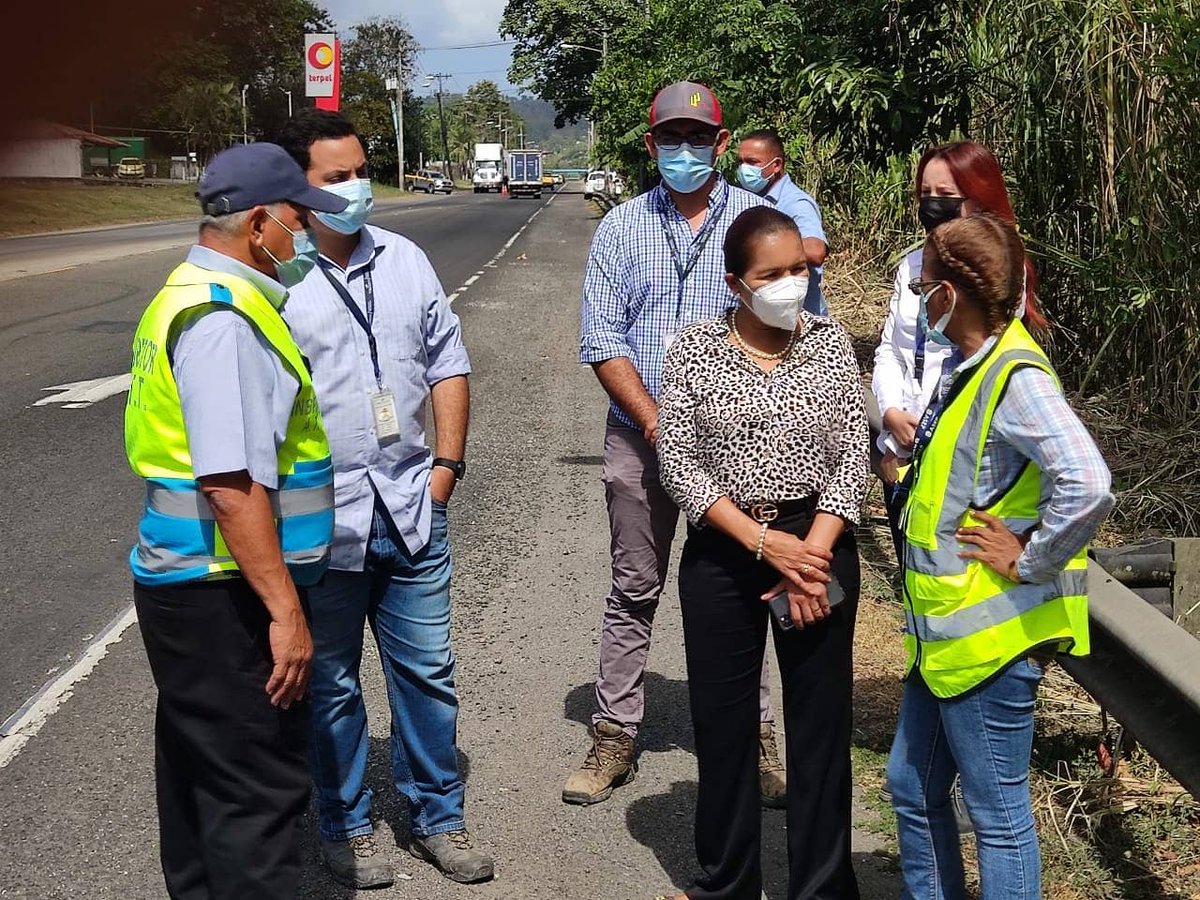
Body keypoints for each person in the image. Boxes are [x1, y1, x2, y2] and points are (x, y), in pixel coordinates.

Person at [124, 142, 347, 899]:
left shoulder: (187, 293)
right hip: (226, 595)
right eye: (297, 219)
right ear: (257, 225)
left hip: (188, 583)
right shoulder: (224, 319)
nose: (305, 234)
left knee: (200, 782)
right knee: (256, 794)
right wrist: (285, 611)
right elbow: (229, 483)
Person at [276, 109, 490, 888]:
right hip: (321, 520)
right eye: (336, 178)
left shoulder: (406, 259)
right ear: (298, 189)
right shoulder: (277, 280)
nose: (355, 188)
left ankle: (438, 817)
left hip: (410, 506)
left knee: (428, 673)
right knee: (332, 686)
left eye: (361, 172)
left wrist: (447, 468)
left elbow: (447, 364)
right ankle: (349, 827)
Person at [570, 81, 789, 808]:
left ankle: (755, 734)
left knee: (745, 584)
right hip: (641, 437)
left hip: (740, 445)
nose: (685, 150)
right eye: (672, 138)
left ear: (721, 144)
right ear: (651, 144)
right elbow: (602, 339)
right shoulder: (622, 228)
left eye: (699, 138)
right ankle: (614, 734)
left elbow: (786, 330)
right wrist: (660, 423)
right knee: (635, 586)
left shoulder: (757, 226)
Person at [887, 213, 1113, 900]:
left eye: (923, 287)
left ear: (949, 293)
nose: (918, 300)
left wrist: (1030, 559)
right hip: (949, 640)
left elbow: (1089, 482)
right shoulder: (974, 366)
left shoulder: (1016, 377)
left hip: (992, 638)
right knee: (911, 785)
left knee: (998, 815)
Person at [655, 205, 868, 900]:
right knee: (724, 726)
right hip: (725, 548)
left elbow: (851, 457)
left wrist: (810, 558)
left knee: (819, 729)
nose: (790, 285)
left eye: (799, 269)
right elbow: (678, 462)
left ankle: (822, 888)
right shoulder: (693, 348)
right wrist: (762, 543)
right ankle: (728, 882)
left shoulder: (829, 343)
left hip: (816, 543)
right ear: (735, 284)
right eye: (771, 275)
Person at [872, 140, 1048, 558]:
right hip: (904, 452)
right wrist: (892, 413)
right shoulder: (911, 266)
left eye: (946, 195)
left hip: (963, 462)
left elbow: (981, 366)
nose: (933, 205)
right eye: (926, 194)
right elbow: (892, 350)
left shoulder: (1003, 274)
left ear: (980, 199)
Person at [735, 128, 829, 315]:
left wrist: (762, 250)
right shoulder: (748, 199)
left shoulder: (795, 203)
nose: (744, 169)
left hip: (800, 317)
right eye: (741, 162)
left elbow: (816, 251)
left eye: (752, 162)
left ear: (776, 165)